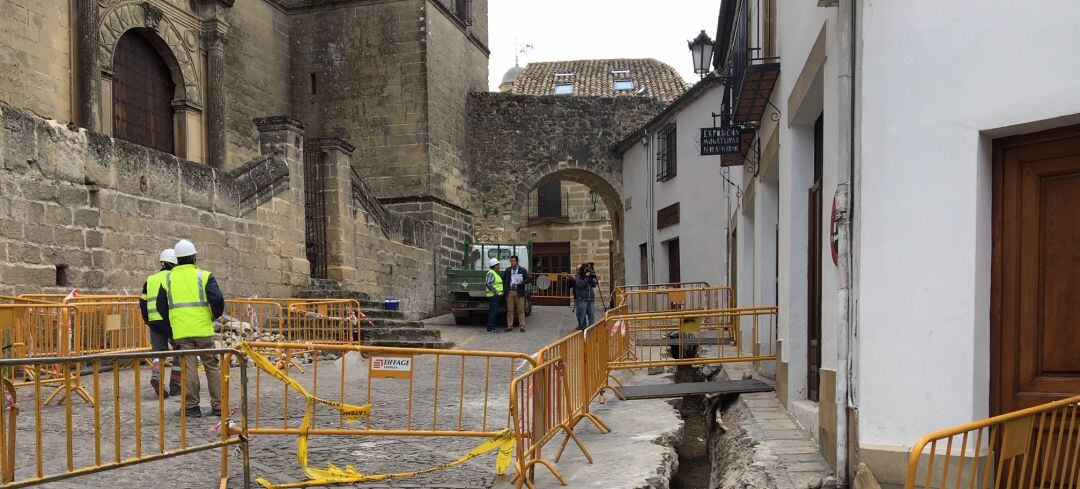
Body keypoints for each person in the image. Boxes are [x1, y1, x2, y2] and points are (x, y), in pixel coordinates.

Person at [156, 239, 225, 418]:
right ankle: (218, 406)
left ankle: (192, 407)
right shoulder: (204, 276)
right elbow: (217, 300)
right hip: (203, 329)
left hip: (181, 332)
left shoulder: (168, 278)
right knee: (211, 366)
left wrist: (172, 324)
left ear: (177, 260)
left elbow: (160, 306)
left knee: (189, 368)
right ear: (194, 258)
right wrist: (213, 316)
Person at [140, 248, 182, 398]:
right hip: (171, 321)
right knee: (180, 350)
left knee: (159, 352)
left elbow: (143, 303)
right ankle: (176, 385)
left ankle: (157, 376)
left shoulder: (150, 279)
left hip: (154, 321)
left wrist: (148, 320)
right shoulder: (174, 277)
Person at [503, 255, 530, 332]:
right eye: (511, 261)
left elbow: (528, 279)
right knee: (510, 310)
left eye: (514, 261)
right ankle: (509, 326)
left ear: (517, 261)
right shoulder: (508, 270)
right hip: (510, 292)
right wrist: (506, 290)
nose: (512, 262)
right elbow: (504, 280)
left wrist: (522, 282)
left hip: (519, 292)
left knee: (521, 310)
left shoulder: (522, 270)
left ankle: (522, 326)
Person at [570, 263, 599, 331]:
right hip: (582, 299)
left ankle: (591, 328)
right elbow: (580, 285)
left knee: (591, 314)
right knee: (582, 315)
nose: (578, 270)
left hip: (590, 298)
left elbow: (594, 285)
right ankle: (583, 329)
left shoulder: (589, 276)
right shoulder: (578, 276)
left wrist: (592, 277)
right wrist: (586, 277)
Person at [484, 258, 504, 334]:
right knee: (493, 312)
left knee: (493, 312)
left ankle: (492, 328)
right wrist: (495, 291)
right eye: (498, 264)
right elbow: (488, 283)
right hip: (493, 296)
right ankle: (490, 329)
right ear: (495, 265)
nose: (499, 265)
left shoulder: (494, 273)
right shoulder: (491, 273)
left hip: (495, 296)